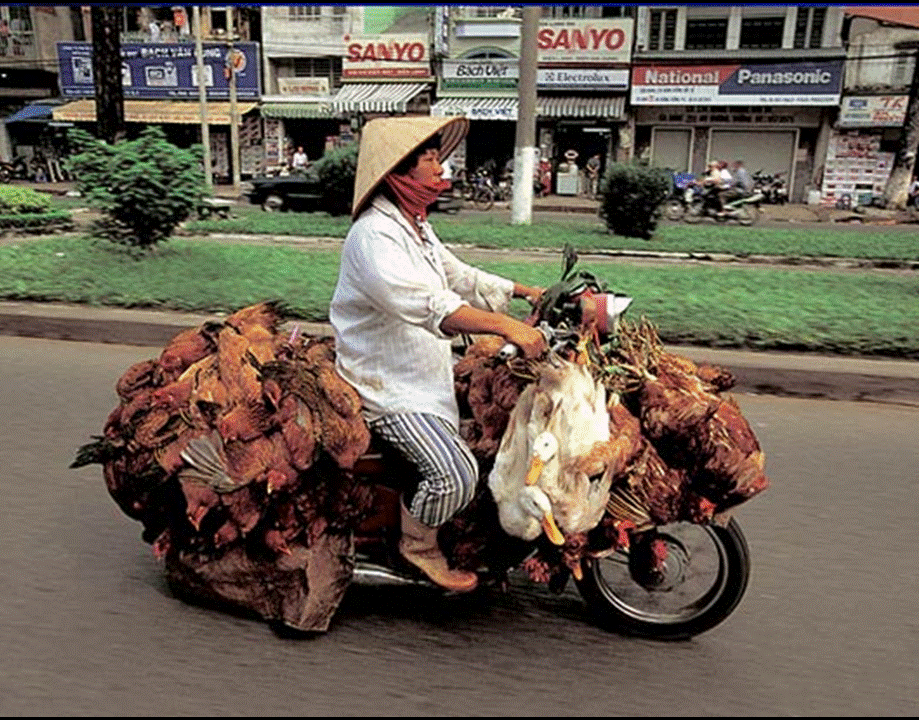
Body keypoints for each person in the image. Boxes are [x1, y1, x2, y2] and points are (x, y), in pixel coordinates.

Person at [330, 116, 547, 593]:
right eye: (428, 158)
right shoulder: (374, 237)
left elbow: (458, 276)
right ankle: (418, 546)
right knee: (455, 474)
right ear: (397, 174)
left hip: (424, 372)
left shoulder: (415, 227)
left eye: (435, 154)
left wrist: (526, 292)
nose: (439, 165)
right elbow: (430, 304)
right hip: (387, 386)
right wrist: (504, 325)